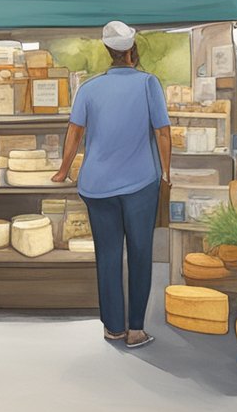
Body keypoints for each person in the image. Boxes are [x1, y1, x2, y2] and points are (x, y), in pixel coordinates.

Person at [52, 20, 171, 349]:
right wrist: (166, 171)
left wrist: (63, 171)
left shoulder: (89, 89)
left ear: (108, 51)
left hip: (97, 186)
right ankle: (135, 330)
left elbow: (74, 134)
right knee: (140, 253)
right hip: (140, 184)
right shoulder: (149, 84)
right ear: (132, 50)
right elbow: (162, 132)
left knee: (107, 255)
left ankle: (113, 328)